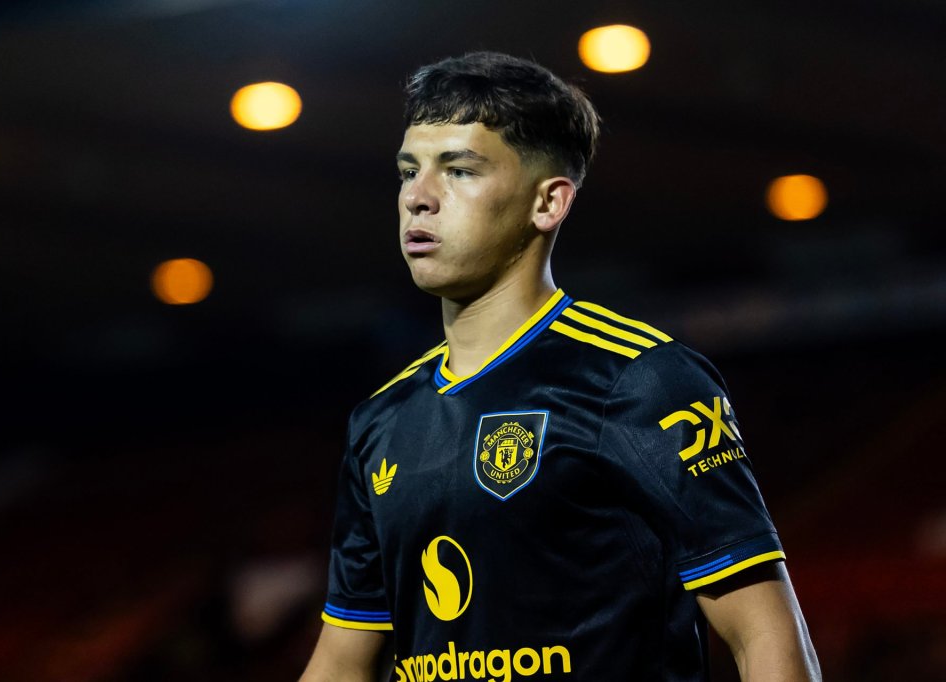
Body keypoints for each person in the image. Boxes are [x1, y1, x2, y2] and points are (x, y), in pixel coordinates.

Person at [300, 52, 821, 682]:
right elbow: (342, 663)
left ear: (548, 202)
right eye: (409, 171)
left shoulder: (639, 381)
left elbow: (765, 635)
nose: (418, 197)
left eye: (459, 170)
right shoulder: (380, 421)